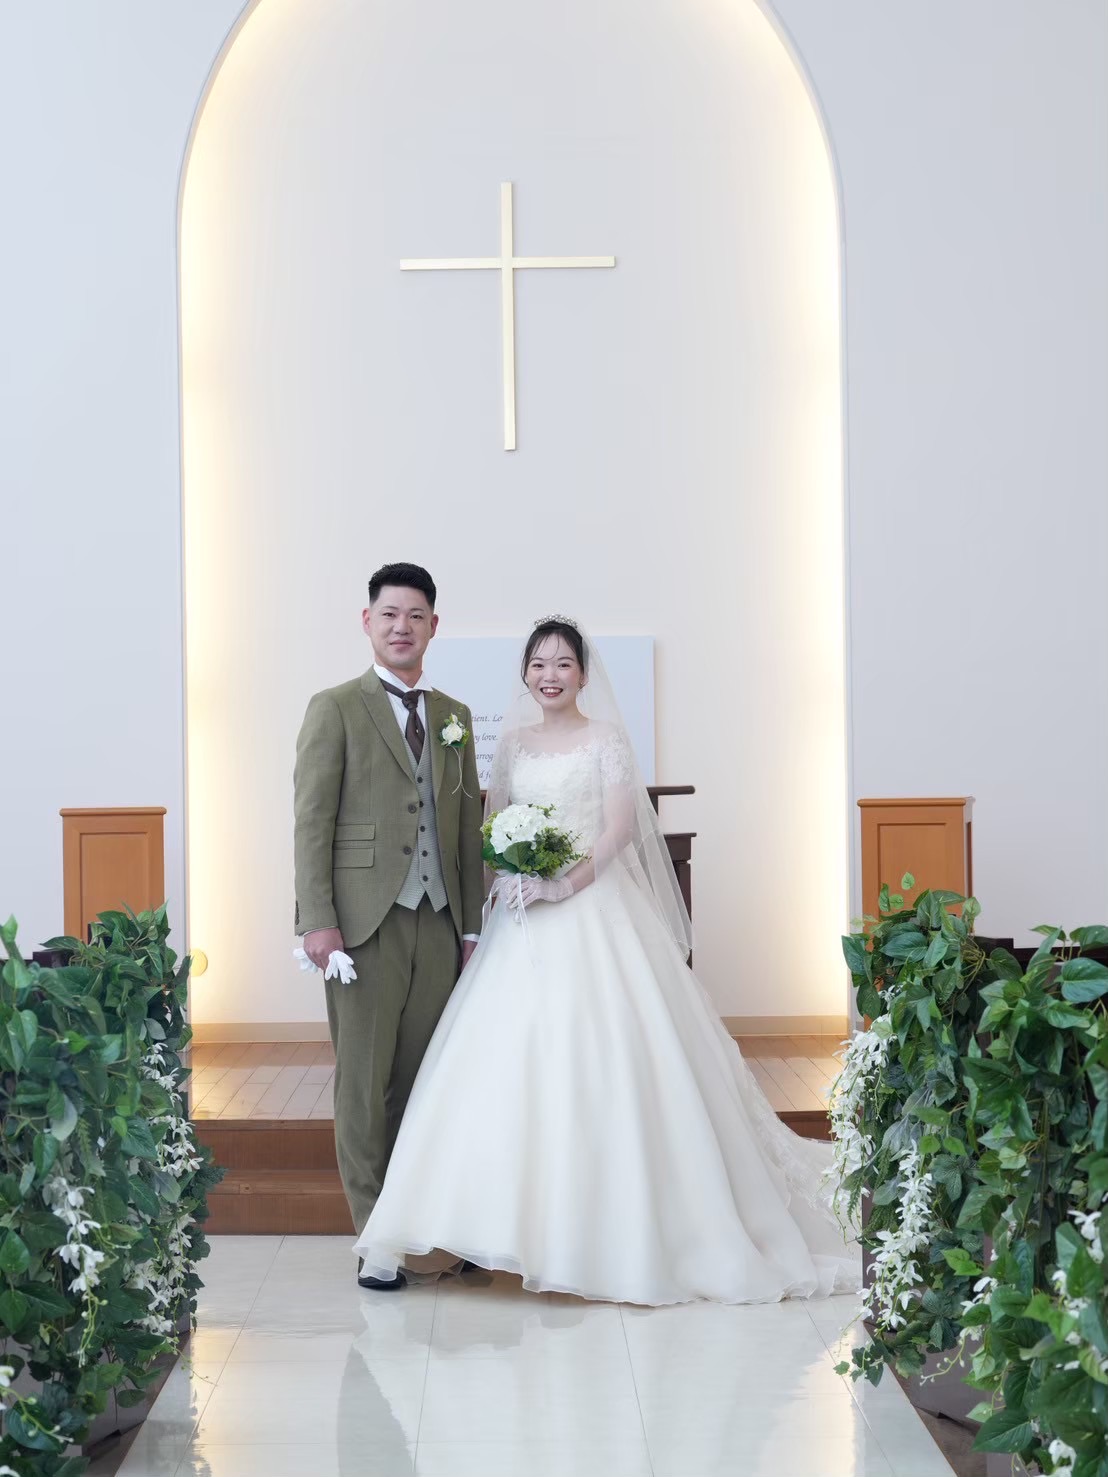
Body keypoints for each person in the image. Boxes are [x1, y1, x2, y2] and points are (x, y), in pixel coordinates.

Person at [353, 616, 859, 1304]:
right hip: (521, 918)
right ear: (526, 673)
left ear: (584, 675)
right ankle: (488, 1229)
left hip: (592, 906)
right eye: (539, 664)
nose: (550, 675)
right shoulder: (514, 743)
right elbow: (494, 819)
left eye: (563, 664)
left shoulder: (605, 739)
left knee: (612, 1055)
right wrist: (510, 874)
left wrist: (562, 884)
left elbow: (619, 828)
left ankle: (609, 1233)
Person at [293, 562, 484, 1288]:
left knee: (422, 1081)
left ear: (434, 626)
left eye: (416, 616)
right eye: (389, 614)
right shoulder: (335, 707)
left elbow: (464, 829)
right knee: (362, 1082)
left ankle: (415, 1217)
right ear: (367, 621)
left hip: (439, 922)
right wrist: (317, 920)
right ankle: (375, 1235)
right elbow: (311, 821)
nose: (402, 626)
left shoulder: (455, 716)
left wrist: (471, 926)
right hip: (362, 925)